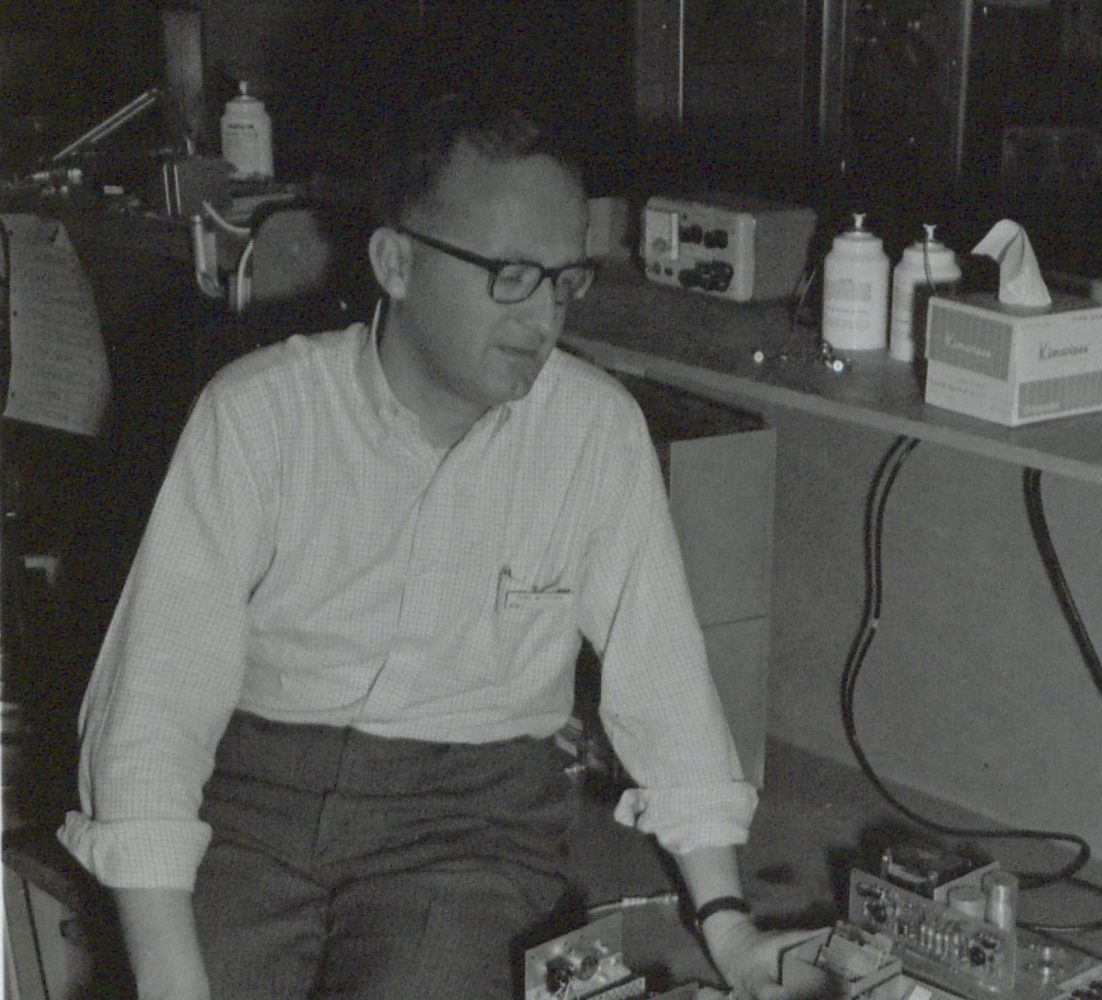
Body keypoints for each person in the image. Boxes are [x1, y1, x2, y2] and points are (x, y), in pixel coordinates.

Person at [60, 93, 814, 1000]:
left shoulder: (592, 434)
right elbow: (154, 710)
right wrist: (173, 980)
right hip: (250, 808)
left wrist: (727, 926)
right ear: (396, 262)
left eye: (564, 279)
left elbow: (665, 686)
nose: (544, 317)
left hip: (469, 833)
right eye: (510, 274)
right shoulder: (258, 416)